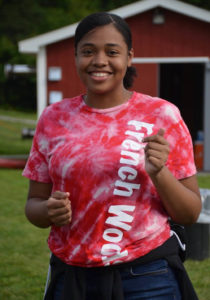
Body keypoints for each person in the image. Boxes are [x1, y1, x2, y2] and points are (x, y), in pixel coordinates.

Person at [23, 12, 201, 300]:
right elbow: (33, 204)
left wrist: (159, 172)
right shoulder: (53, 118)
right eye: (88, 51)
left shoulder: (161, 115)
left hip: (147, 278)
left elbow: (190, 213)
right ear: (76, 56)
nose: (99, 60)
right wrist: (47, 211)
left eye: (112, 51)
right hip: (71, 277)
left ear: (129, 57)